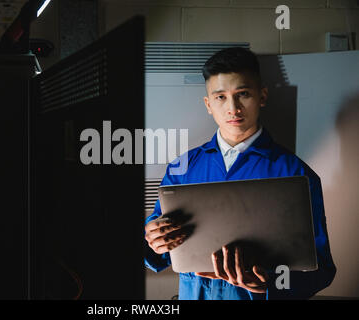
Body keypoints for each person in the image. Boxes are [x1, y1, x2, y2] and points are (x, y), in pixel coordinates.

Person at [144, 47, 336, 300]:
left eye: (243, 94)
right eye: (220, 97)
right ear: (208, 104)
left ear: (262, 96)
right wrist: (154, 240)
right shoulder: (182, 167)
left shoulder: (296, 173)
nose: (232, 108)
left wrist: (270, 283)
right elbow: (160, 248)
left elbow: (321, 270)